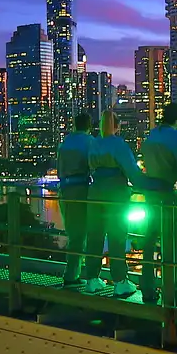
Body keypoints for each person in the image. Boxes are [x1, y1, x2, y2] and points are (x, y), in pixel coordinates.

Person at [86, 109, 144, 296]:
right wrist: (146, 187)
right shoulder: (119, 145)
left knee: (94, 236)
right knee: (117, 237)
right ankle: (120, 281)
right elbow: (132, 171)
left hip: (95, 193)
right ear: (117, 126)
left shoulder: (93, 144)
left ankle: (92, 279)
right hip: (115, 194)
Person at [139, 103, 177, 305]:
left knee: (149, 240)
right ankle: (172, 288)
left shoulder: (152, 135)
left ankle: (147, 287)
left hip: (149, 194)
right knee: (174, 244)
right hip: (168, 194)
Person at [56, 112, 94, 288]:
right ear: (88, 126)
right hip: (81, 190)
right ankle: (72, 275)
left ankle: (73, 272)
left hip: (64, 190)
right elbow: (94, 166)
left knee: (73, 233)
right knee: (81, 234)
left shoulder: (65, 142)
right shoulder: (89, 142)